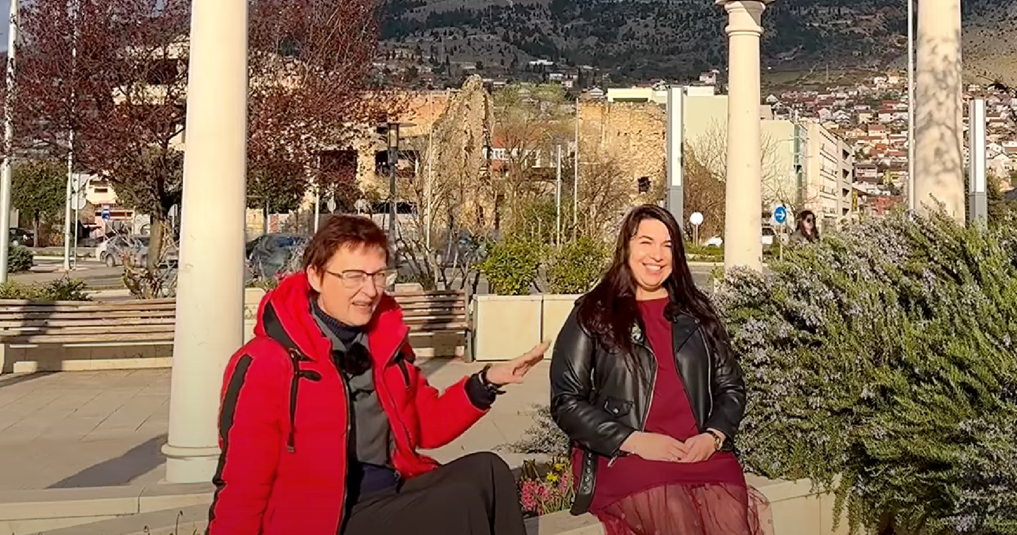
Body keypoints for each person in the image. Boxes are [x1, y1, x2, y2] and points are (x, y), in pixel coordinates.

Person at [207, 215, 546, 535]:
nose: (370, 290)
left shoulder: (384, 345)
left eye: (379, 275)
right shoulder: (267, 361)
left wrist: (486, 382)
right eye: (354, 276)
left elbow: (425, 424)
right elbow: (242, 480)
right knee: (455, 503)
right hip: (326, 518)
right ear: (315, 276)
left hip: (389, 489)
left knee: (488, 471)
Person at [549, 205, 772, 535]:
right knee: (676, 514)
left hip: (698, 453)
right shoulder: (594, 312)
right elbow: (565, 401)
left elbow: (731, 386)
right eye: (646, 242)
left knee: (729, 516)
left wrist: (713, 436)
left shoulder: (697, 311)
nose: (657, 255)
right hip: (625, 456)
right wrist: (633, 440)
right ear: (626, 247)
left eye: (667, 245)